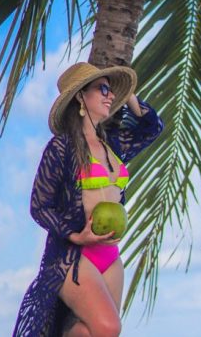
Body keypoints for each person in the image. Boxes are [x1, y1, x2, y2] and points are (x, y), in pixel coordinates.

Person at [13, 62, 164, 337]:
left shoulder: (114, 144)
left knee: (86, 332)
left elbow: (152, 128)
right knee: (109, 327)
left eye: (110, 90)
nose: (109, 95)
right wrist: (75, 235)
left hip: (109, 256)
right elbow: (39, 205)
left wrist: (126, 93)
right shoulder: (62, 148)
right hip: (71, 257)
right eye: (102, 89)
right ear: (81, 96)